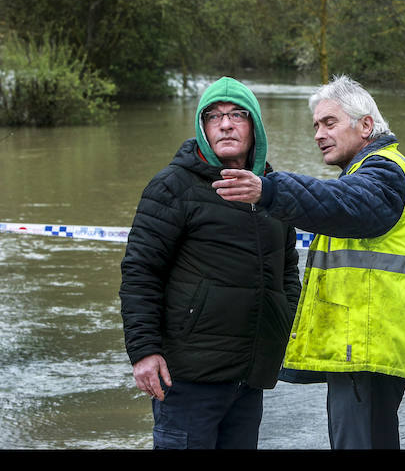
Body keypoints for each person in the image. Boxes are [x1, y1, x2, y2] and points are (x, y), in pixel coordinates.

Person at [213, 75, 405, 449]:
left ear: (366, 126)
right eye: (316, 125)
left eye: (330, 123)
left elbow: (337, 203)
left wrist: (270, 190)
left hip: (368, 347)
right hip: (361, 347)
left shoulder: (385, 173)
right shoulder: (362, 173)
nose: (318, 134)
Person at [119, 76, 301, 449]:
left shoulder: (272, 191)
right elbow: (140, 272)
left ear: (255, 127)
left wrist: (281, 325)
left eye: (238, 115)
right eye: (214, 116)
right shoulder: (172, 187)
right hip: (188, 379)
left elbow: (287, 273)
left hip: (249, 379)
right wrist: (144, 351)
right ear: (202, 127)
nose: (226, 123)